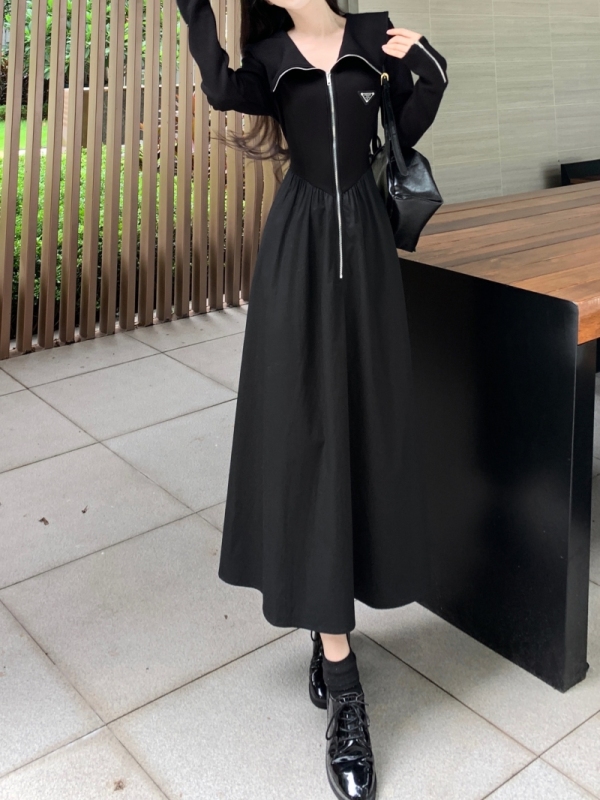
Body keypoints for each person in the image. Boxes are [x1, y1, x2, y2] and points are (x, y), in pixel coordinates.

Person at [176, 0, 448, 796]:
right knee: (307, 428)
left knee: (367, 422)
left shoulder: (370, 36)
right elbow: (222, 89)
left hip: (367, 241)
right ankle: (343, 681)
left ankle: (336, 631)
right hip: (297, 245)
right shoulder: (267, 57)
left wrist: (429, 67)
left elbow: (406, 125)